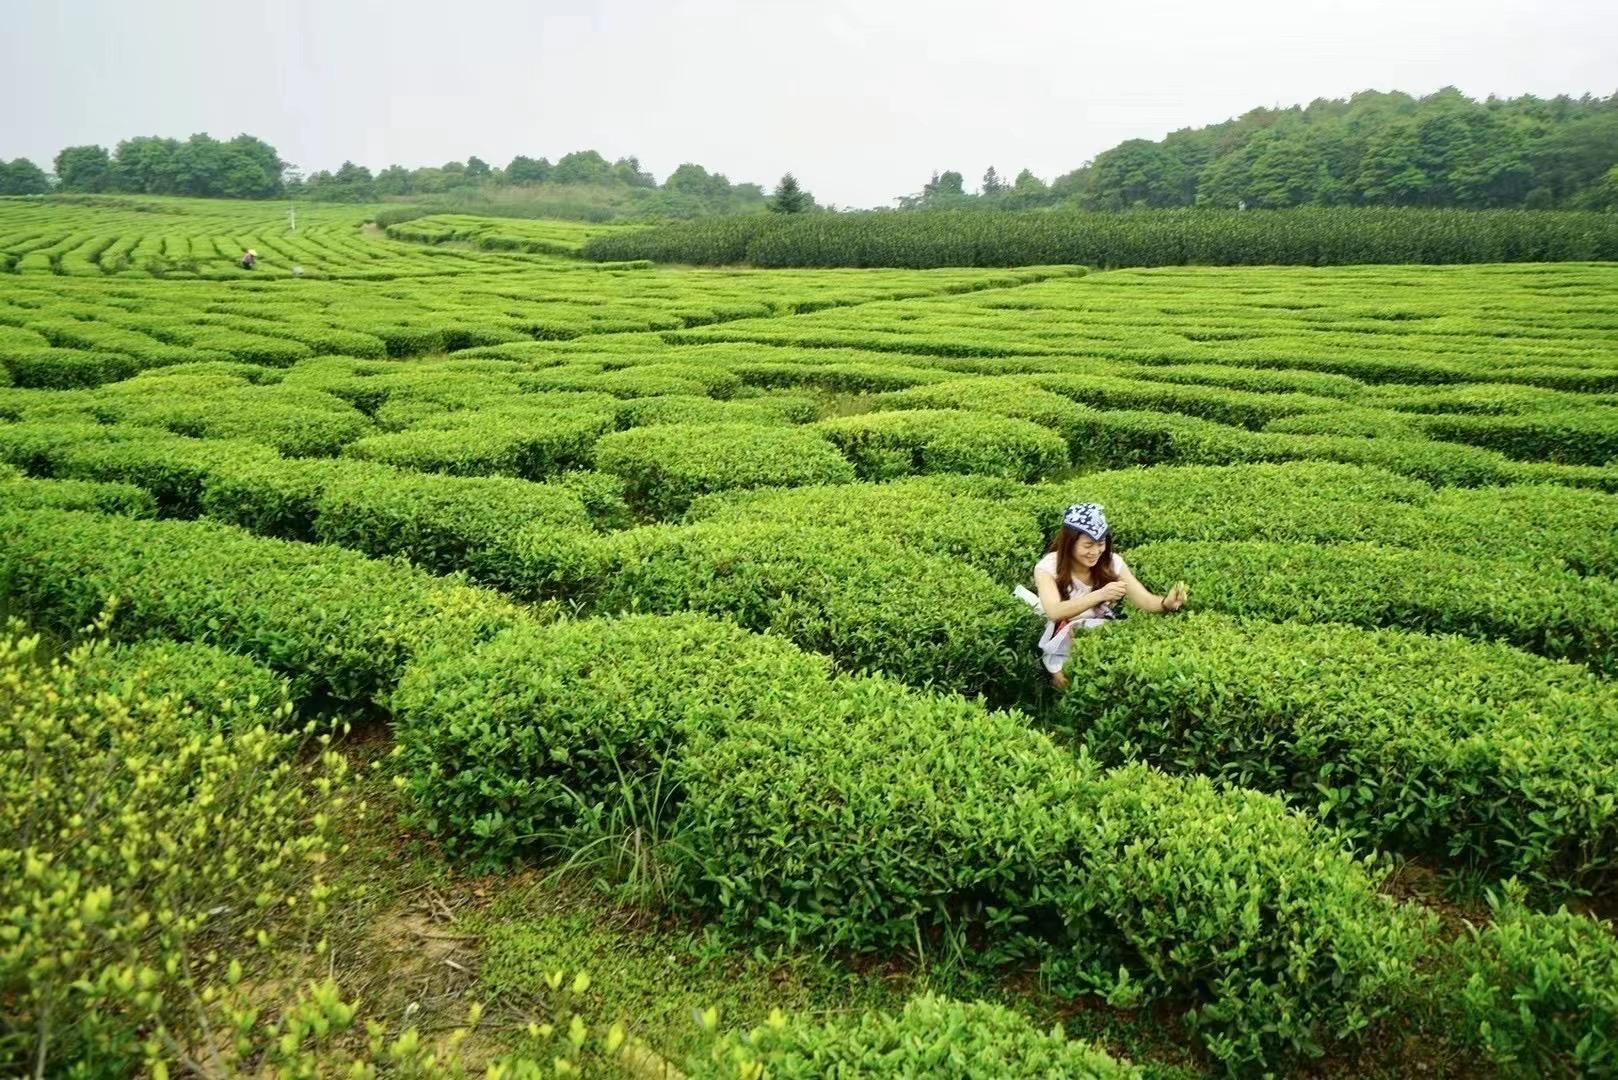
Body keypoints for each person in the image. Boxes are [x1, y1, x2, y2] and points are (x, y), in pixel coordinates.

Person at [1033, 503, 1186, 690]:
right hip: (1060, 635)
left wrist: (1166, 603)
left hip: (1098, 629)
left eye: (1100, 544)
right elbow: (1054, 611)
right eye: (1088, 545)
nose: (1095, 552)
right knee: (1066, 685)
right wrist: (1100, 595)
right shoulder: (1048, 567)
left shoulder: (1111, 562)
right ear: (1069, 543)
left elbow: (1145, 600)